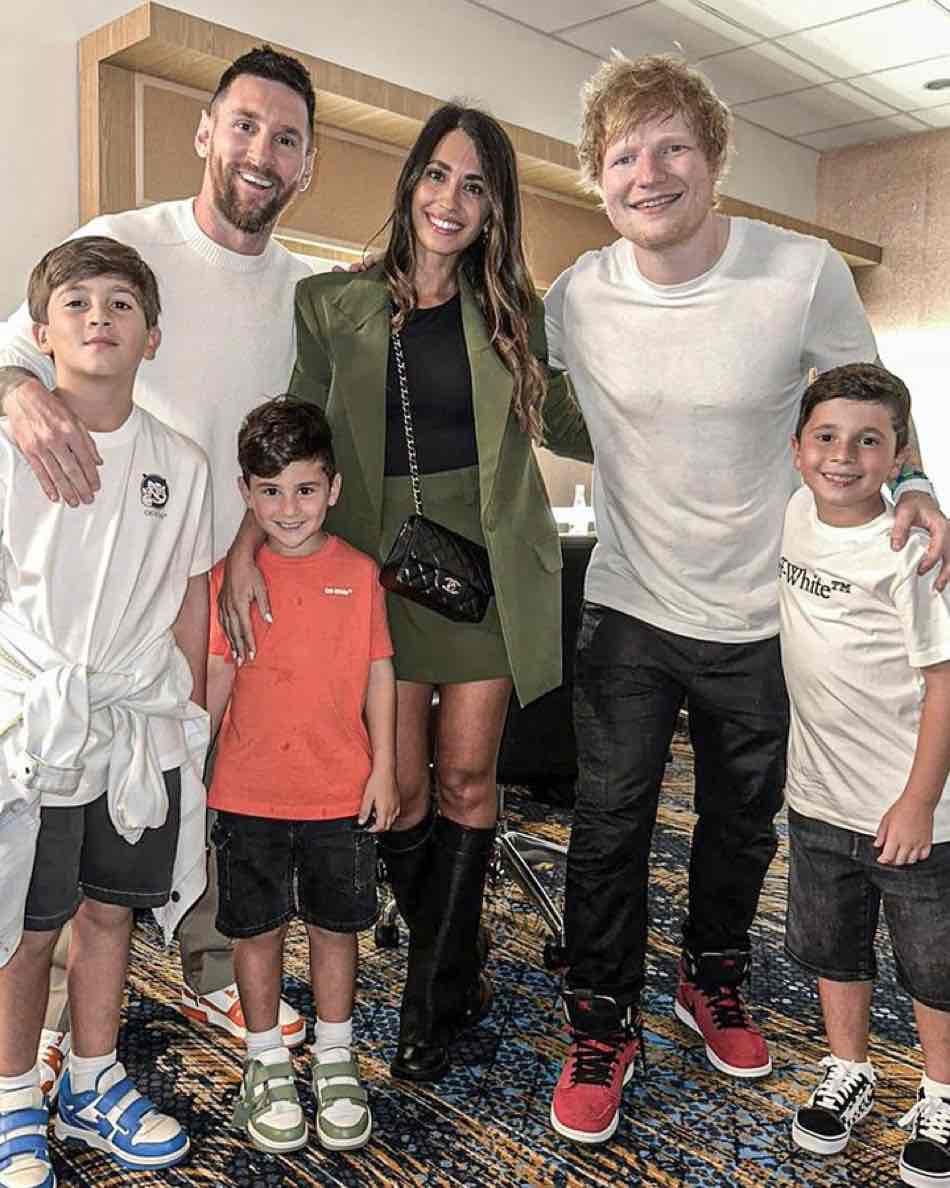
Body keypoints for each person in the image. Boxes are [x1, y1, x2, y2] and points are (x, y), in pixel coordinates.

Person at [543, 52, 950, 1145]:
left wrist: (911, 486)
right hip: (630, 602)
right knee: (610, 823)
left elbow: (871, 413)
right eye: (622, 154)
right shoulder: (574, 295)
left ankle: (709, 976)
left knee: (738, 825)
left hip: (766, 613)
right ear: (597, 177)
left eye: (672, 144)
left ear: (713, 158)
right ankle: (599, 1022)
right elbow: (505, 385)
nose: (648, 171)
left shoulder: (800, 271)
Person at [223, 102, 591, 1082]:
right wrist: (252, 540)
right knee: (398, 790)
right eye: (437, 175)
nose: (450, 199)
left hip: (484, 573)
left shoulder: (515, 312)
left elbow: (577, 428)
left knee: (469, 779)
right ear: (410, 182)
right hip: (373, 576)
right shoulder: (332, 304)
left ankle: (438, 987)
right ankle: (446, 960)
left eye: (474, 186)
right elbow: (296, 432)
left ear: (492, 207)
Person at [0, 45, 317, 1070]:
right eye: (245, 125)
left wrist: (253, 547)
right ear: (206, 131)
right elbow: (14, 350)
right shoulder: (118, 249)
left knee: (202, 778)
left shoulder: (301, 291)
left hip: (215, 562)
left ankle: (210, 965)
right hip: (98, 569)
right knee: (63, 806)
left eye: (285, 137)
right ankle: (44, 1028)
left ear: (304, 161)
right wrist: (20, 399)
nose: (260, 152)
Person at [0, 237, 211, 1183]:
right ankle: (10, 1097)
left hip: (133, 721)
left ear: (152, 336)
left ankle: (90, 1078)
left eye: (121, 304)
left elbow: (191, 596)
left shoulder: (181, 463)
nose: (99, 317)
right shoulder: (11, 452)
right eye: (76, 303)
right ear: (40, 333)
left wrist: (193, 720)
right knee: (23, 922)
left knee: (110, 912)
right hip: (32, 724)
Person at [206, 397, 397, 1154]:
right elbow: (217, 678)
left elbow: (380, 672)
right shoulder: (232, 580)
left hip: (339, 790)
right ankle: (266, 1061)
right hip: (248, 790)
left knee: (336, 924)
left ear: (335, 488)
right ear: (247, 495)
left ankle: (337, 1056)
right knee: (254, 927)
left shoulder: (360, 573)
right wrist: (191, 769)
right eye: (271, 492)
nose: (289, 509)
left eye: (306, 489)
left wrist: (384, 766)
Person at [780, 364, 950, 1188]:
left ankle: (943, 1091)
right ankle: (848, 1068)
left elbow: (946, 680)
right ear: (797, 448)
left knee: (934, 963)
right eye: (826, 437)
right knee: (833, 947)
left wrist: (919, 801)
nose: (843, 457)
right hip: (818, 798)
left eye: (868, 441)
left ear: (899, 456)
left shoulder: (911, 548)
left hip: (911, 809)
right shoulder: (790, 517)